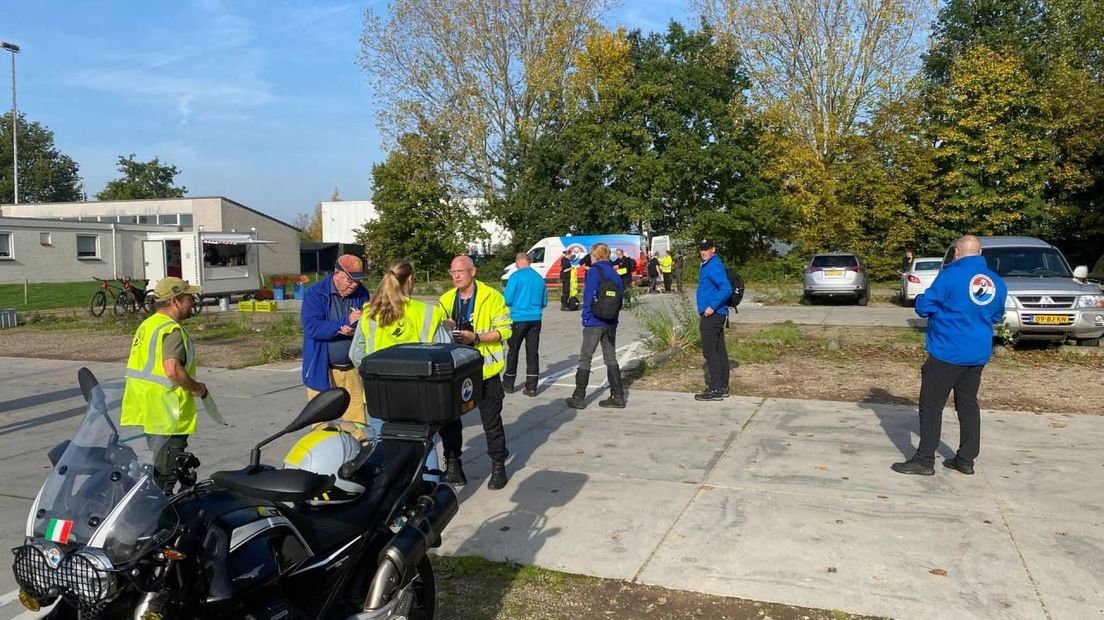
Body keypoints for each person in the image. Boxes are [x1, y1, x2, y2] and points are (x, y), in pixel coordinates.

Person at [892, 235, 1007, 476]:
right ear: (980, 253)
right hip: (977, 353)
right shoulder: (995, 281)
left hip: (947, 351)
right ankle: (965, 459)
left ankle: (924, 460)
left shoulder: (949, 276)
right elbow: (996, 316)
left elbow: (924, 308)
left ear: (956, 253)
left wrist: (923, 299)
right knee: (968, 404)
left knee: (931, 405)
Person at [350, 260, 450, 477]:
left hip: (379, 395)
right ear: (411, 280)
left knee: (382, 446)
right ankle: (429, 495)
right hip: (420, 395)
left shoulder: (369, 313)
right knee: (425, 446)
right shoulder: (429, 313)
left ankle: (386, 494)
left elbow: (355, 355)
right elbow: (446, 352)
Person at [122, 276, 207, 491]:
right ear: (175, 301)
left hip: (148, 410)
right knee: (164, 478)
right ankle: (159, 518)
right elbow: (172, 369)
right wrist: (197, 388)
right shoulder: (172, 331)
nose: (193, 302)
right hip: (169, 413)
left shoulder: (147, 325)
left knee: (155, 469)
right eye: (189, 298)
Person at [438, 255, 513, 490]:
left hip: (485, 370)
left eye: (460, 271)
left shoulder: (492, 297)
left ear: (473, 272)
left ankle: (498, 465)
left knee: (491, 422)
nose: (456, 276)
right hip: (456, 369)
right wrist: (446, 327)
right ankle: (453, 465)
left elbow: (505, 331)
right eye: (452, 272)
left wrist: (477, 337)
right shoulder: (446, 299)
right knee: (449, 421)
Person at [301, 255, 370, 424]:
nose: (354, 284)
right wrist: (344, 323)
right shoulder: (315, 293)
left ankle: (359, 448)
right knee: (320, 422)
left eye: (358, 280)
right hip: (322, 368)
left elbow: (369, 324)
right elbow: (312, 328)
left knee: (358, 423)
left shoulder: (362, 293)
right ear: (336, 273)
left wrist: (356, 329)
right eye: (349, 279)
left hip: (351, 369)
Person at [566, 242, 626, 409]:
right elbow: (620, 298)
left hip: (594, 321)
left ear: (595, 256)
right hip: (611, 321)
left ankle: (578, 396)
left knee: (586, 357)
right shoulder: (614, 274)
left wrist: (586, 318)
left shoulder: (594, 272)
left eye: (591, 255)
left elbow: (588, 296)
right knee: (611, 358)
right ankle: (618, 395)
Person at [502, 252, 547, 396]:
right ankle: (532, 386)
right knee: (532, 352)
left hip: (518, 318)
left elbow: (507, 299)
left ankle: (508, 383)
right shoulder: (539, 278)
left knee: (513, 351)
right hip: (535, 318)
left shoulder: (515, 276)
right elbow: (544, 302)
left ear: (518, 262)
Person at [695, 239, 733, 401]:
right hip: (717, 314)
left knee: (710, 351)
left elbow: (726, 288)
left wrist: (711, 307)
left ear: (713, 249)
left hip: (712, 314)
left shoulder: (713, 265)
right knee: (719, 350)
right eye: (701, 249)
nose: (704, 252)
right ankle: (722, 386)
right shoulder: (709, 264)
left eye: (707, 249)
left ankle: (716, 387)